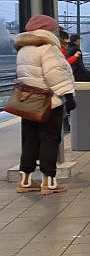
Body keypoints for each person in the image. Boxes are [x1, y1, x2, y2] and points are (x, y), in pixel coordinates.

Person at [14, 15, 75, 194]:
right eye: (54, 29)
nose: (56, 31)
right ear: (48, 30)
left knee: (30, 139)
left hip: (27, 100)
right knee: (49, 138)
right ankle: (49, 182)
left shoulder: (24, 49)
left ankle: (25, 180)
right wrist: (68, 95)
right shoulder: (48, 48)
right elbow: (54, 74)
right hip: (47, 100)